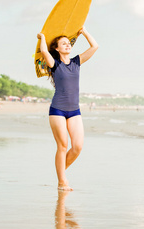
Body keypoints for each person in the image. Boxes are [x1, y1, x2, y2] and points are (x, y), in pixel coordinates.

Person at [37, 27, 98, 191]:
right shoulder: (55, 64)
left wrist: (84, 32)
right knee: (63, 146)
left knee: (77, 147)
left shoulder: (77, 62)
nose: (67, 45)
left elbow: (95, 47)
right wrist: (43, 37)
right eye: (63, 44)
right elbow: (43, 50)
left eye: (68, 43)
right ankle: (62, 181)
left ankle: (60, 173)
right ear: (57, 48)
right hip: (57, 109)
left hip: (74, 110)